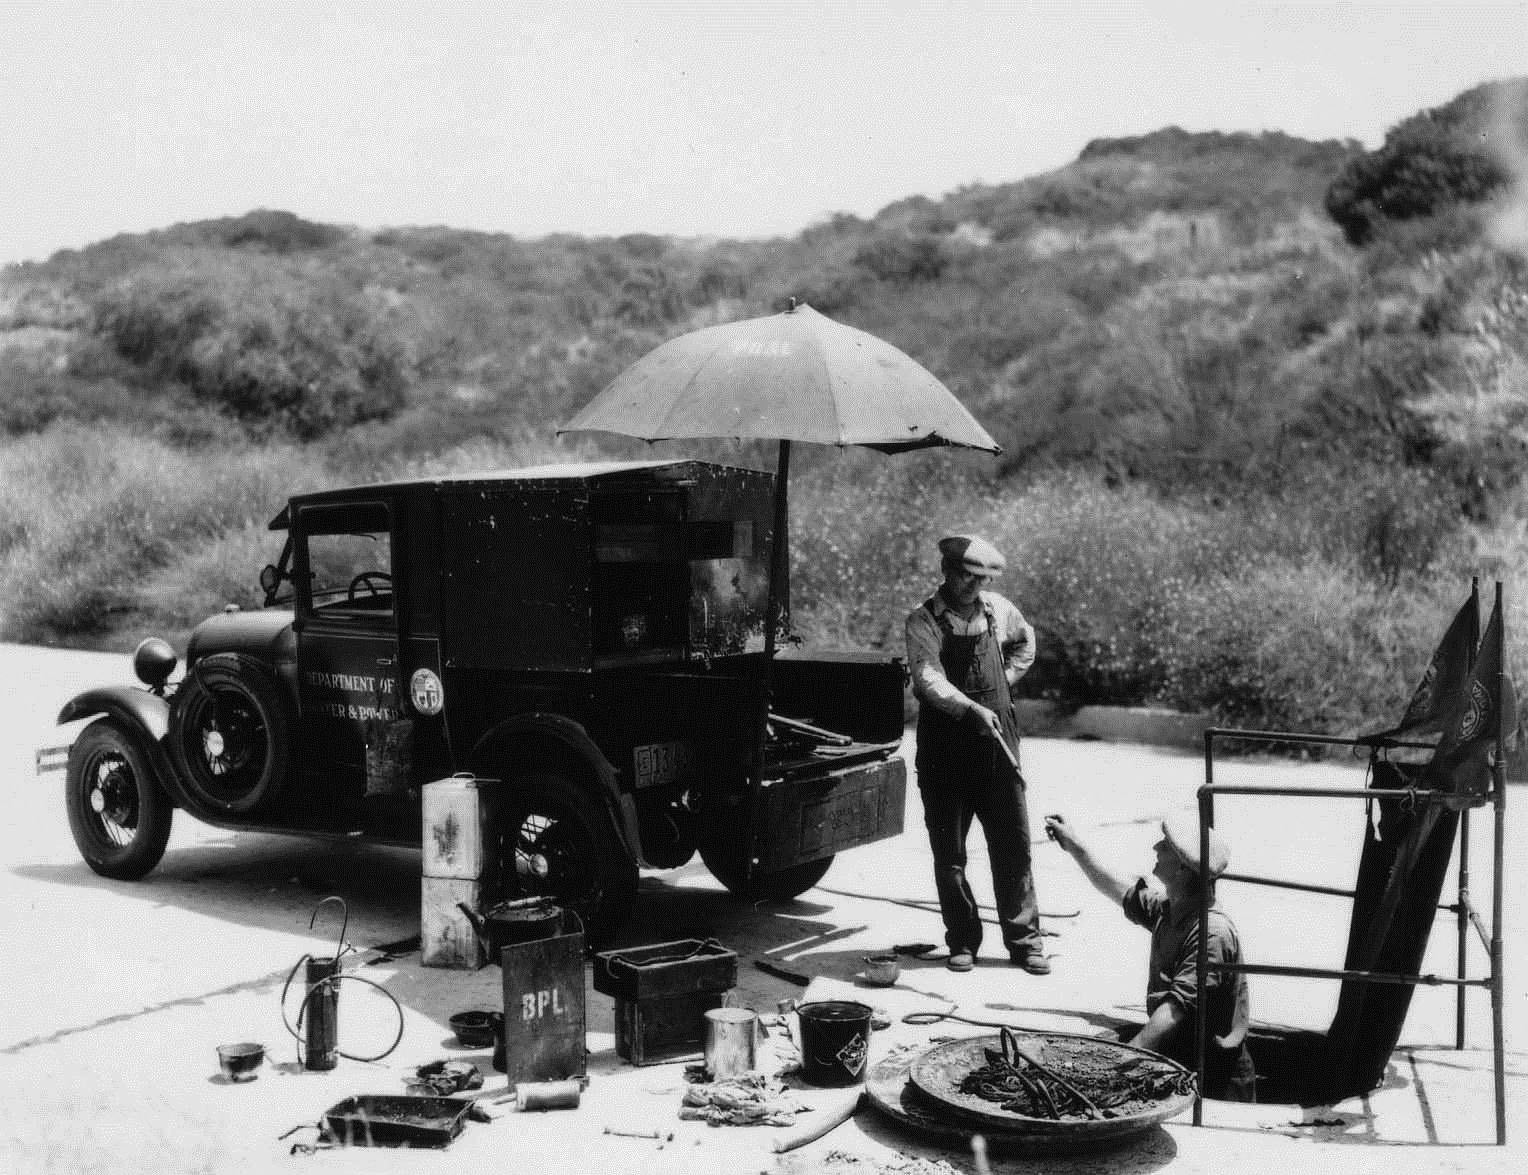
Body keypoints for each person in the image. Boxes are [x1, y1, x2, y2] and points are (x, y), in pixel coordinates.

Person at [905, 534, 1047, 974]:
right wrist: (970, 707)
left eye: (981, 579)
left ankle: (1024, 943)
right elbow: (927, 677)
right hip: (945, 752)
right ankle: (962, 940)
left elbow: (1026, 642)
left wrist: (1003, 679)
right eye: (967, 577)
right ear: (947, 571)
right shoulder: (923, 620)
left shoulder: (999, 610)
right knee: (949, 855)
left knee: (1014, 847)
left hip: (997, 751)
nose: (973, 587)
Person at [1044, 811, 1257, 1101]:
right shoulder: (1173, 908)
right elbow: (1116, 887)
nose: (1156, 848)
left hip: (1215, 1078)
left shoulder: (1211, 932)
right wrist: (1074, 845)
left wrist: (1126, 1061)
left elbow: (1174, 1010)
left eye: (1165, 846)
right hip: (1180, 1053)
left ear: (1182, 869)